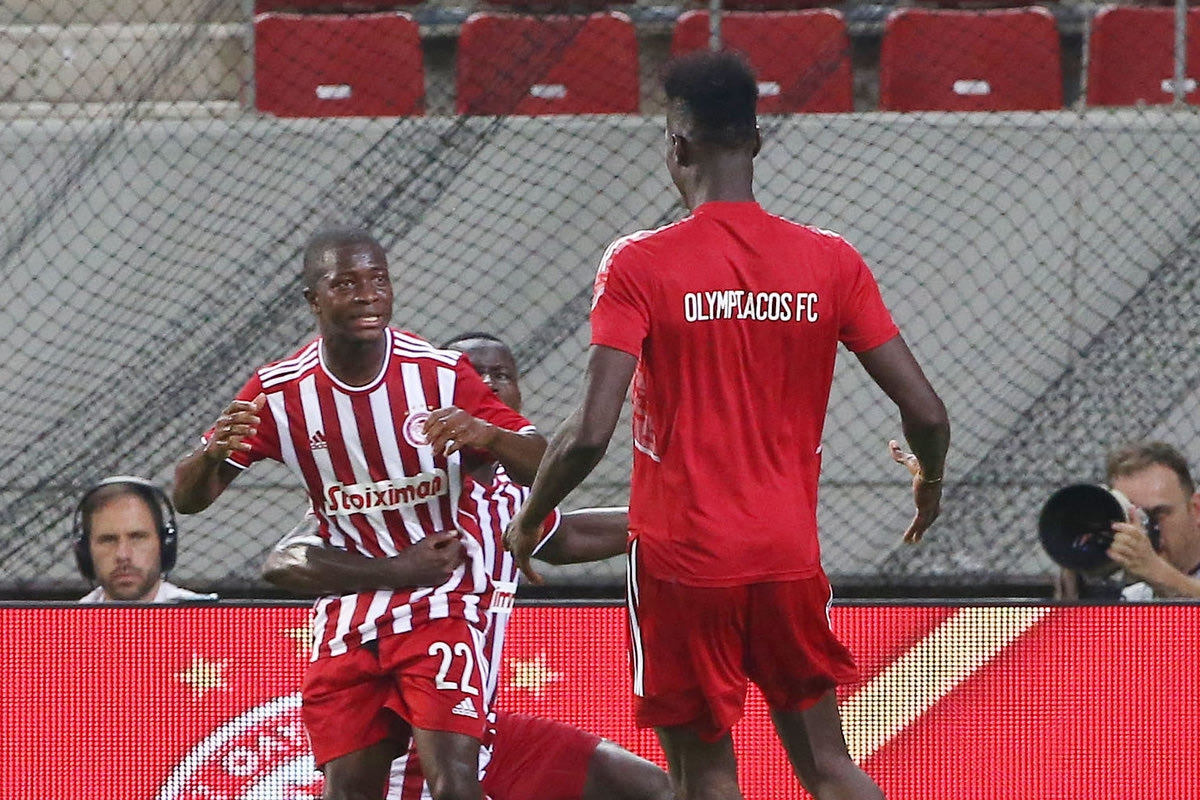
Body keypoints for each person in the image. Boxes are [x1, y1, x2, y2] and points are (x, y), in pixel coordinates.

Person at [504, 51, 950, 800]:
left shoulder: (639, 262)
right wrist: (928, 482)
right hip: (787, 556)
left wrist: (530, 519)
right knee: (829, 766)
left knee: (705, 778)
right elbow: (928, 412)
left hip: (682, 564)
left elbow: (588, 433)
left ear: (677, 147)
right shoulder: (831, 261)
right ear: (757, 143)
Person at [172, 228, 547, 800]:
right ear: (313, 299)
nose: (368, 295)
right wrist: (210, 456)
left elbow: (543, 461)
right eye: (346, 283)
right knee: (348, 792)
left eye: (378, 281)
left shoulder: (440, 374)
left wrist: (487, 434)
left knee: (454, 783)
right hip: (348, 618)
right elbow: (188, 499)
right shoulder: (280, 391)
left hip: (440, 609)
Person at [262, 332, 674, 800]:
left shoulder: (514, 494)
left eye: (502, 375)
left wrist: (675, 518)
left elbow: (564, 537)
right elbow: (282, 559)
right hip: (407, 741)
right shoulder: (394, 488)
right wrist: (398, 569)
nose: (489, 384)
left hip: (483, 731)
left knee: (652, 790)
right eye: (474, 374)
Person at [1055, 440, 1200, 601]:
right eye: (1130, 517)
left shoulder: (1155, 577)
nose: (1142, 530)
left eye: (1158, 514)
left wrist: (1156, 571)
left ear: (1196, 509)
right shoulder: (1134, 597)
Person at [74, 475, 213, 603]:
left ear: (164, 544)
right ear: (86, 551)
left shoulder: (203, 617)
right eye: (108, 540)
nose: (123, 555)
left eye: (137, 537)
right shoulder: (69, 620)